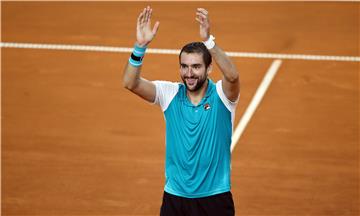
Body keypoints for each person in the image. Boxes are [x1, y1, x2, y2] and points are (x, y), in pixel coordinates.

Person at [123, 6, 240, 216]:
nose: (189, 73)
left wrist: (209, 42)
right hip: (175, 198)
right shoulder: (169, 94)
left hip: (214, 199)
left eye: (196, 66)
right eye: (184, 66)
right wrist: (139, 47)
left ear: (208, 68)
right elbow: (131, 83)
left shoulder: (222, 95)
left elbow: (232, 76)